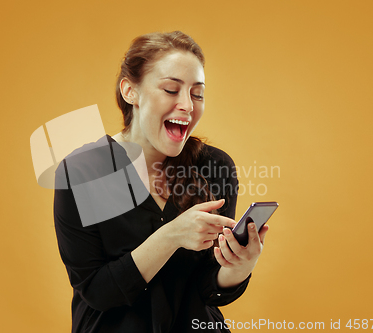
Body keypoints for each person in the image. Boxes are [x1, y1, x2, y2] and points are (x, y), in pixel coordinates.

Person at [53, 31, 269, 333]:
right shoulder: (84, 173)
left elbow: (207, 289)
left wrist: (239, 266)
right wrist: (171, 236)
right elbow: (98, 292)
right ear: (130, 91)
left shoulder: (214, 167)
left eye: (197, 93)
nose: (187, 105)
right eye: (170, 89)